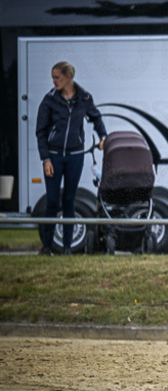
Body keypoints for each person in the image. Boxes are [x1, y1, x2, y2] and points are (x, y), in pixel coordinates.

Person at [36, 61, 107, 254]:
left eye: (57, 77)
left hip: (75, 157)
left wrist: (103, 136)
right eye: (52, 77)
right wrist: (45, 159)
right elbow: (40, 131)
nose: (54, 81)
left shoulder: (84, 98)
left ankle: (67, 247)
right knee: (52, 201)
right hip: (54, 157)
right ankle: (47, 247)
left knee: (69, 200)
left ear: (68, 77)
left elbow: (96, 117)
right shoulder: (49, 100)